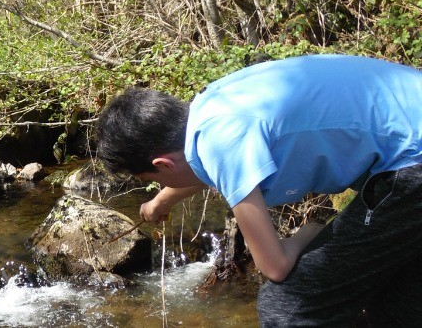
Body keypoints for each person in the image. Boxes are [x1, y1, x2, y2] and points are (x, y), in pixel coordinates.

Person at [95, 53, 422, 327]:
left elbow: (275, 266)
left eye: (155, 179)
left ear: (162, 164)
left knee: (286, 308)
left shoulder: (222, 143)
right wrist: (159, 202)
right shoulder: (211, 107)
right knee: (394, 294)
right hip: (407, 133)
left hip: (411, 160)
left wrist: (307, 234)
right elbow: (203, 168)